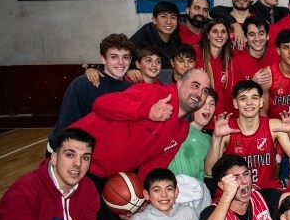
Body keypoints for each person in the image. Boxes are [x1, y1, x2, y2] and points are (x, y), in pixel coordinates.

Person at [72, 67, 211, 180]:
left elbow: (154, 166)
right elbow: (100, 105)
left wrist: (141, 197)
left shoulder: (183, 129)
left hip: (107, 177)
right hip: (75, 158)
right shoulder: (154, 93)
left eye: (205, 91)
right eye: (195, 85)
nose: (199, 93)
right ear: (179, 83)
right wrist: (147, 111)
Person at [206, 79, 290, 190]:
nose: (249, 103)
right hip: (237, 192)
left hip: (268, 191)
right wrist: (216, 138)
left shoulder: (273, 126)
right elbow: (209, 171)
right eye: (243, 99)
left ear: (261, 102)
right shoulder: (227, 129)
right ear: (235, 104)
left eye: (254, 98)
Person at [47, 33, 134, 152]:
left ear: (131, 60)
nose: (121, 62)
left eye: (125, 57)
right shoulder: (83, 84)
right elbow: (68, 128)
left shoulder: (131, 88)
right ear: (103, 59)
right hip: (67, 148)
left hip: (105, 152)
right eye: (114, 57)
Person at [168, 88, 218, 182]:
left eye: (212, 103)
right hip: (168, 191)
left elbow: (211, 174)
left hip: (197, 194)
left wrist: (217, 138)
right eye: (203, 102)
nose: (208, 107)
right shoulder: (175, 126)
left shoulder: (211, 140)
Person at [130, 0, 183, 79]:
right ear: (154, 20)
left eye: (173, 17)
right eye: (163, 16)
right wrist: (130, 70)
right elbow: (124, 55)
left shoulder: (176, 36)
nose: (169, 22)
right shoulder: (143, 35)